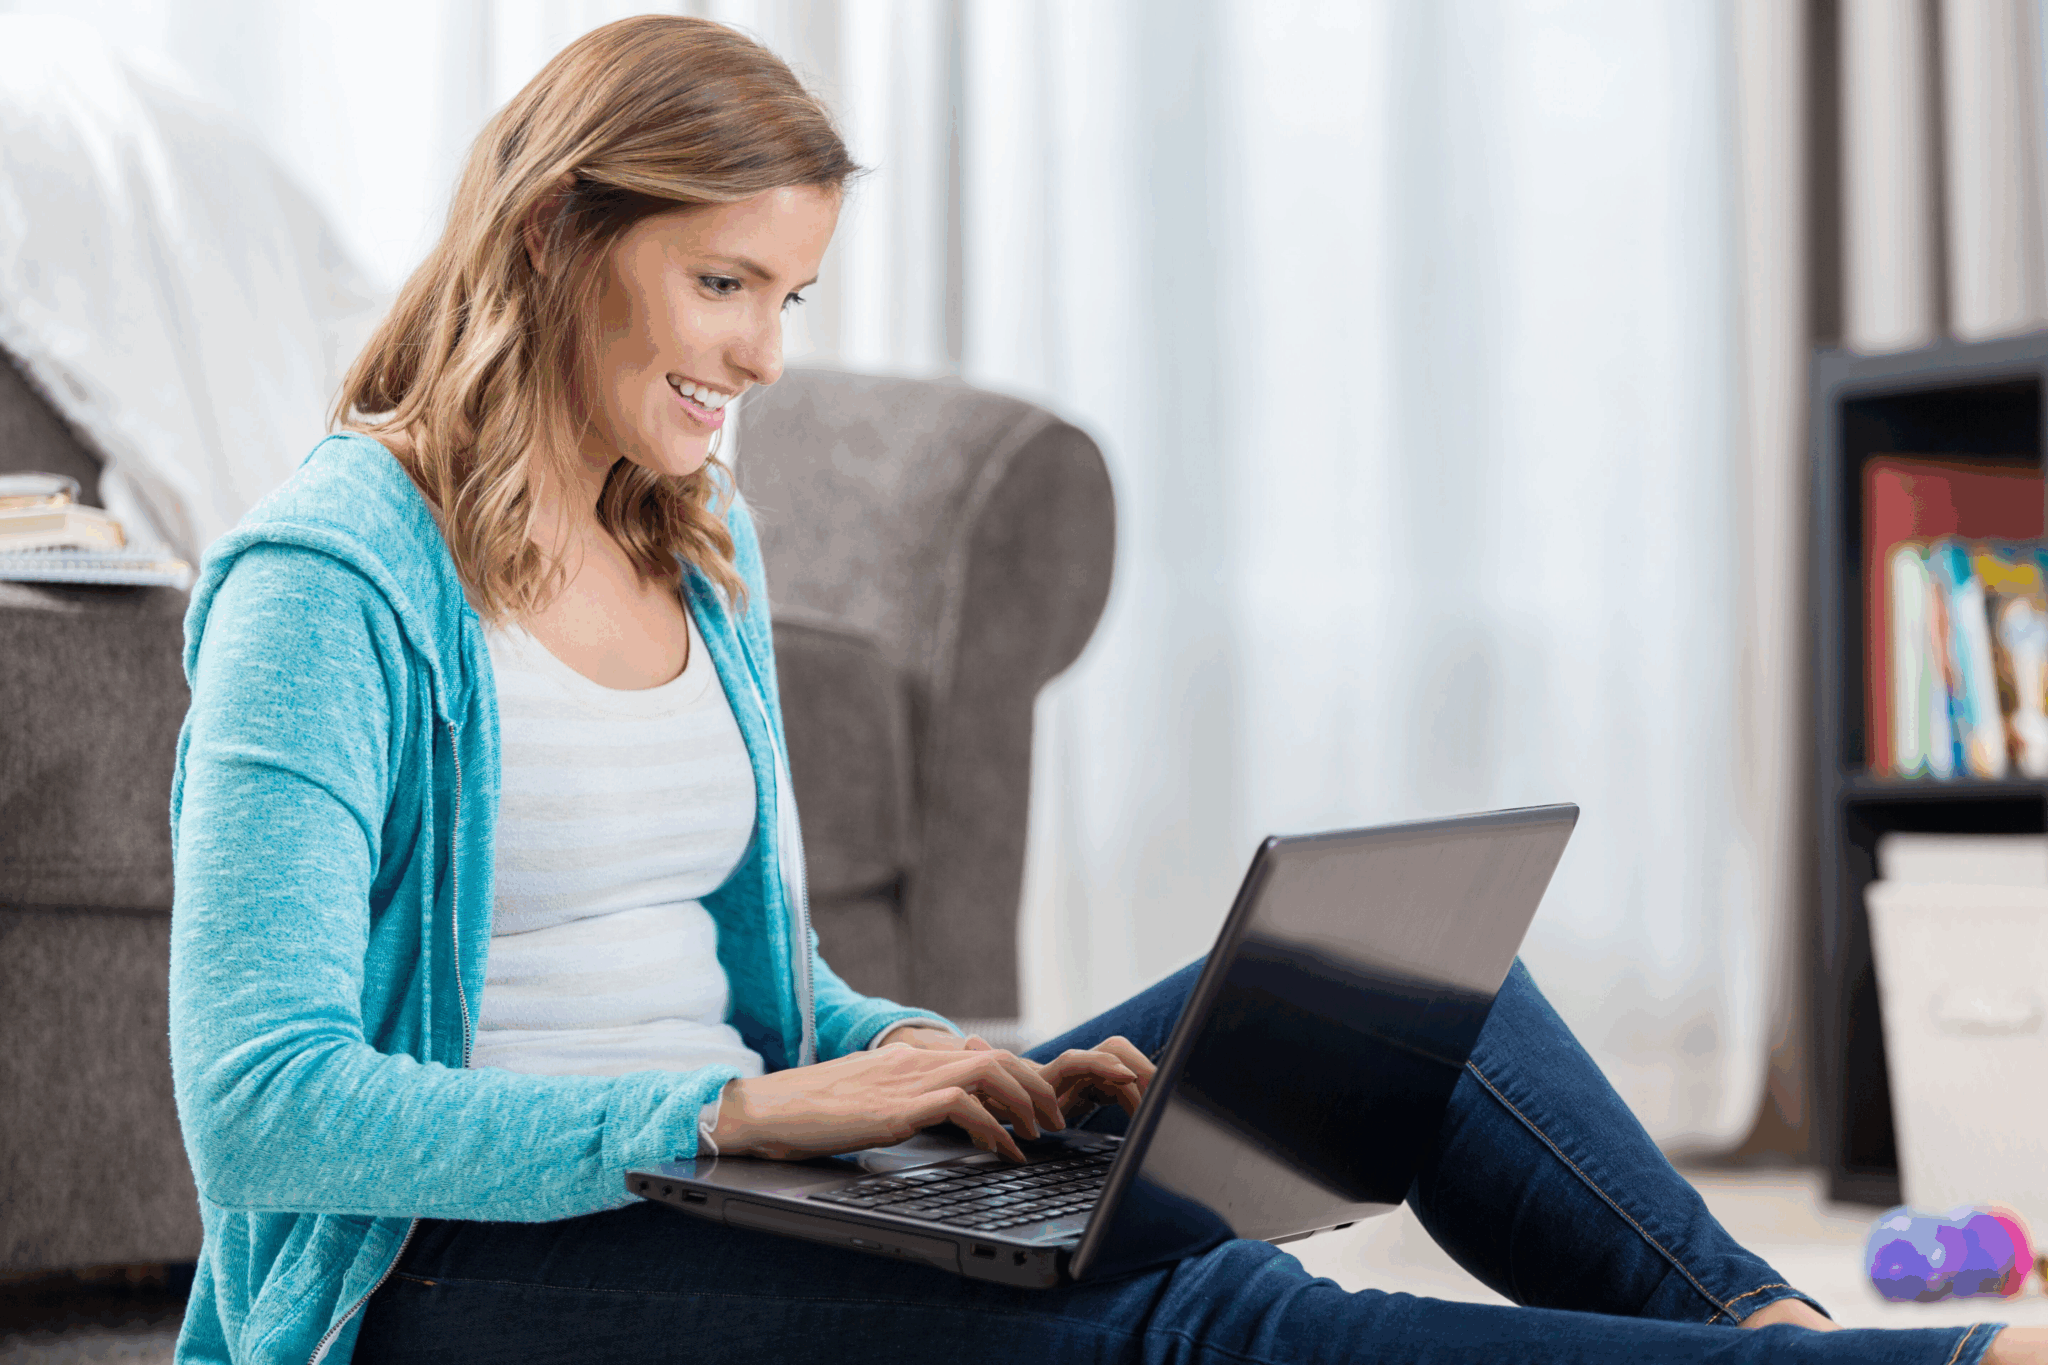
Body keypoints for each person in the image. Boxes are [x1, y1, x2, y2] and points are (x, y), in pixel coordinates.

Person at [167, 15, 2037, 1365]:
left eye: (791, 300)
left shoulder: (692, 543)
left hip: (727, 1180)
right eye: (723, 283)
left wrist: (954, 1066)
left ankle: (1766, 1330)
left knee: (1410, 1011)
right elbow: (263, 1107)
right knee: (1203, 1319)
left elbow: (767, 1003)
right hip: (449, 1278)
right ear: (562, 230)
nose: (762, 358)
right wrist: (728, 1124)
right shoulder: (331, 583)